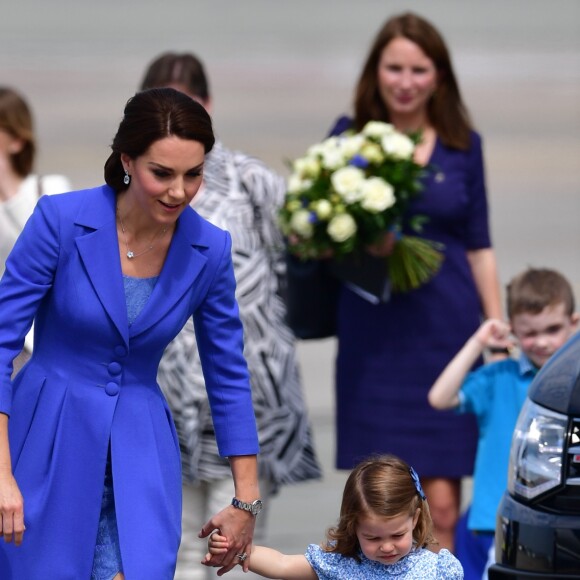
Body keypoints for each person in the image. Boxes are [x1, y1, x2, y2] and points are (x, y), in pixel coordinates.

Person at [0, 87, 262, 579]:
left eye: (193, 174)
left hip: (139, 457)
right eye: (161, 173)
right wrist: (0, 472)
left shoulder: (210, 249)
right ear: (126, 160)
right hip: (43, 446)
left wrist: (246, 501)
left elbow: (228, 375)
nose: (179, 191)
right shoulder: (60, 221)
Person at [139, 52, 322, 580]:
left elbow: (292, 271)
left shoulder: (252, 180)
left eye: (187, 105)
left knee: (234, 550)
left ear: (209, 106)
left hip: (249, 390)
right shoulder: (136, 193)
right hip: (166, 393)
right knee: (170, 546)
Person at [325, 12, 503, 551]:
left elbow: (480, 245)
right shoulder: (346, 139)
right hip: (374, 339)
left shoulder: (461, 145)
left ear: (439, 75)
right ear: (375, 72)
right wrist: (363, 241)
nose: (405, 81)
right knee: (376, 506)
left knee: (442, 507)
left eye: (419, 69)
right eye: (394, 67)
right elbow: (316, 240)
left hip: (446, 334)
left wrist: (495, 326)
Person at [428, 267, 578, 579]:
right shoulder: (498, 378)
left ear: (573, 324)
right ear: (513, 331)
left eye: (552, 329)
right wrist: (479, 340)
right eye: (530, 333)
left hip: (552, 520)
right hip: (490, 520)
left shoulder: (573, 386)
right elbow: (440, 397)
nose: (542, 342)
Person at [205, 455, 464, 579]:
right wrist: (235, 550)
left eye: (397, 535)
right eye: (372, 537)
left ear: (415, 520)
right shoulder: (342, 565)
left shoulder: (438, 569)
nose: (387, 546)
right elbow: (282, 563)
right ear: (353, 527)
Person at [0, 87, 70, 372]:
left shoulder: (51, 189)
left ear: (16, 141)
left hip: (42, 348)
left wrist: (4, 179)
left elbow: (35, 246)